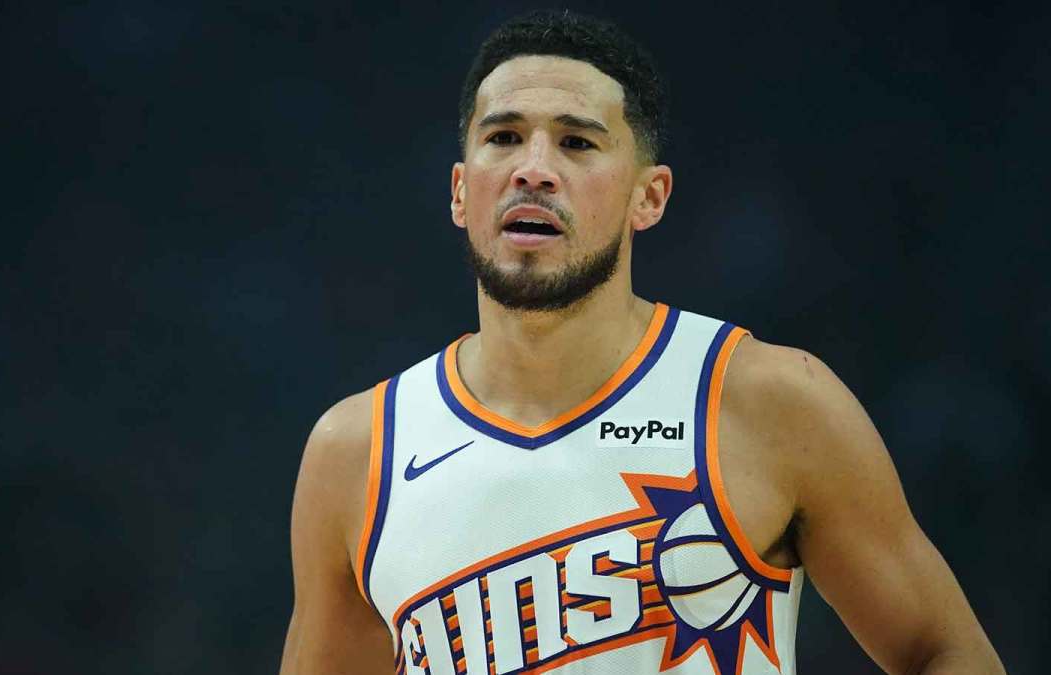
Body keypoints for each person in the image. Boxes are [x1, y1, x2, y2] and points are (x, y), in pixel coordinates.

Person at [280, 10, 1004, 675]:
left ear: (648, 196)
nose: (533, 168)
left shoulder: (770, 401)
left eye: (576, 142)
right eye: (503, 137)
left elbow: (945, 652)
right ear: (461, 191)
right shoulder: (355, 453)